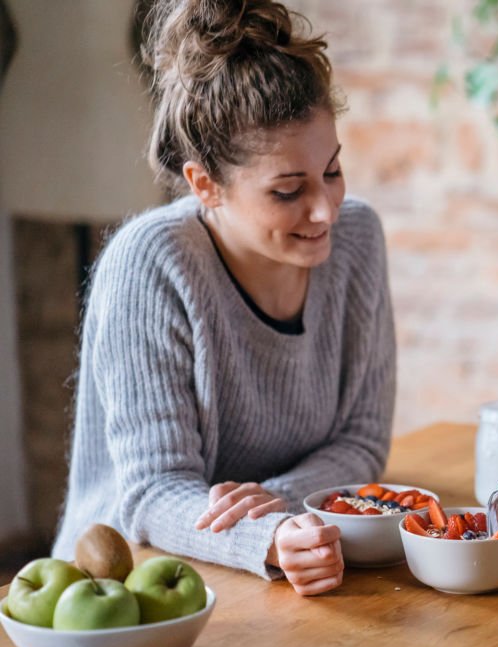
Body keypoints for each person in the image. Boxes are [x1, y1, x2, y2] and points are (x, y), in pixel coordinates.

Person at [52, 0, 396, 597]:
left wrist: (284, 506)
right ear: (204, 185)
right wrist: (270, 533)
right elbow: (154, 493)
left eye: (332, 172)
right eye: (288, 191)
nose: (325, 210)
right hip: (122, 590)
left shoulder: (357, 239)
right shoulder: (151, 263)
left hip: (266, 576)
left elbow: (362, 439)